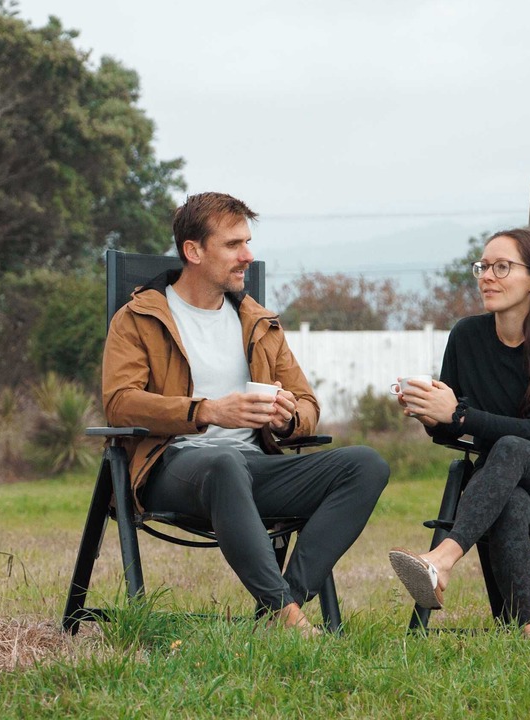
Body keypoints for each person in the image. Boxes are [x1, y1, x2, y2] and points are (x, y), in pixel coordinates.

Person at [102, 191, 390, 636]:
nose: (248, 256)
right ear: (193, 251)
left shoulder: (259, 322)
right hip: (174, 468)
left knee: (366, 465)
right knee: (224, 462)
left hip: (255, 468)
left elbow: (307, 403)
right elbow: (120, 402)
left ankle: (284, 607)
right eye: (233, 245)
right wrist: (208, 411)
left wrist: (287, 418)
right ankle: (288, 617)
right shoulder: (138, 317)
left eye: (248, 243)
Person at [387, 228, 530, 640]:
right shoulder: (466, 337)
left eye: (502, 267)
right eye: (483, 267)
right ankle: (528, 631)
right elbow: (455, 428)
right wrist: (431, 415)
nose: (487, 276)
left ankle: (442, 559)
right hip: (505, 482)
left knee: (509, 448)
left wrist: (459, 415)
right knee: (510, 500)